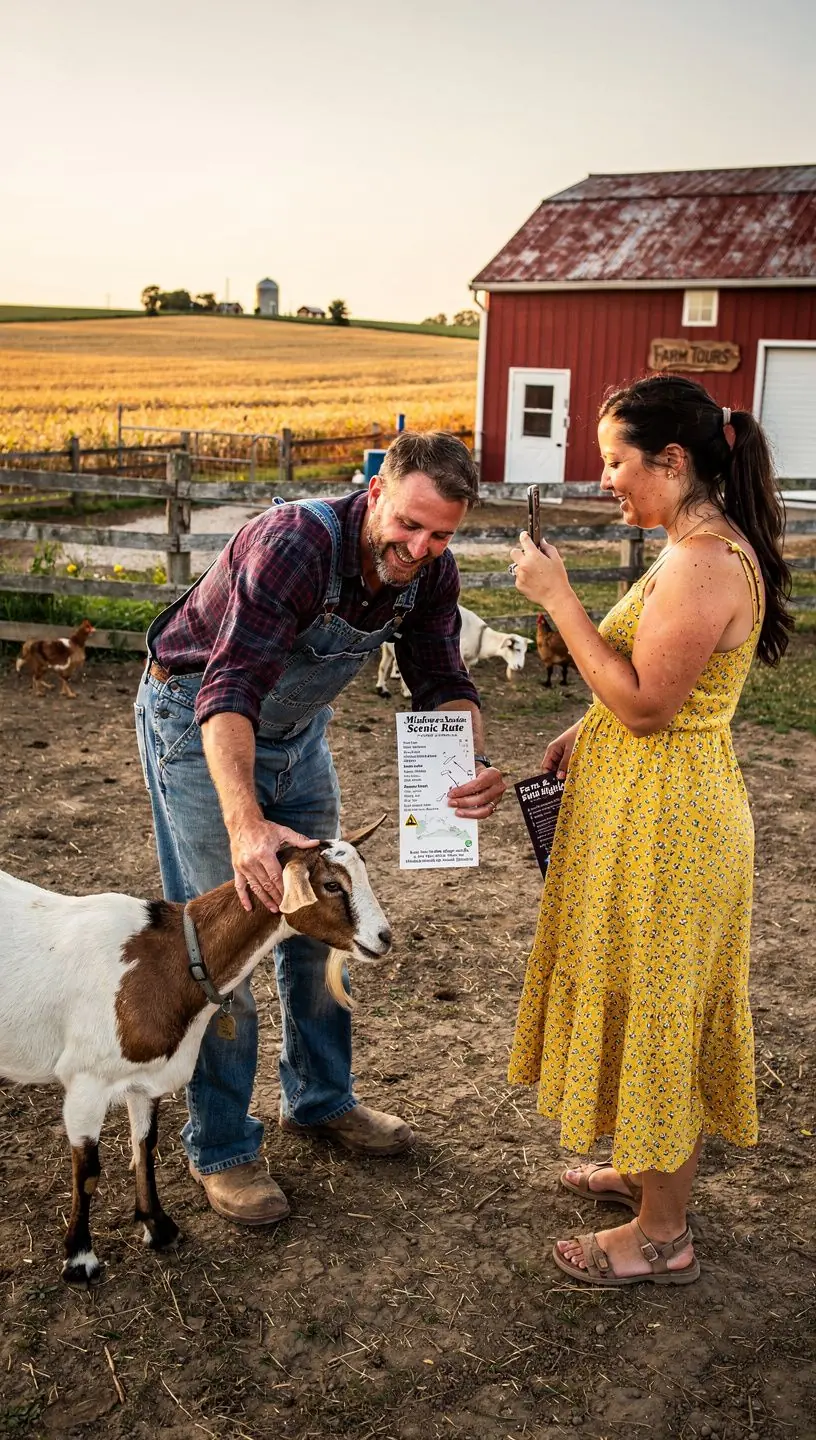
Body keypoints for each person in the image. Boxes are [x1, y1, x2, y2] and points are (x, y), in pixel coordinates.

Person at [134, 430, 506, 1226]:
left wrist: (465, 760)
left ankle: (323, 1099)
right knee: (226, 937)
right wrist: (245, 825)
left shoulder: (430, 572)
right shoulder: (297, 544)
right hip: (200, 723)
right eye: (408, 524)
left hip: (296, 734)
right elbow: (228, 686)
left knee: (321, 923)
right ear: (375, 492)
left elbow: (443, 678)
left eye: (441, 534)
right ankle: (224, 1146)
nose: (421, 547)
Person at [506, 374, 792, 1287]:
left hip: (676, 826)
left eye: (617, 462)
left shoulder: (706, 560)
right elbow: (635, 686)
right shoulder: (686, 547)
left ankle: (664, 1236)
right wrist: (578, 725)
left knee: (663, 1010)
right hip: (647, 812)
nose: (606, 481)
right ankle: (643, 1167)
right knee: (640, 992)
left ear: (672, 460)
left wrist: (558, 600)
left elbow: (648, 707)